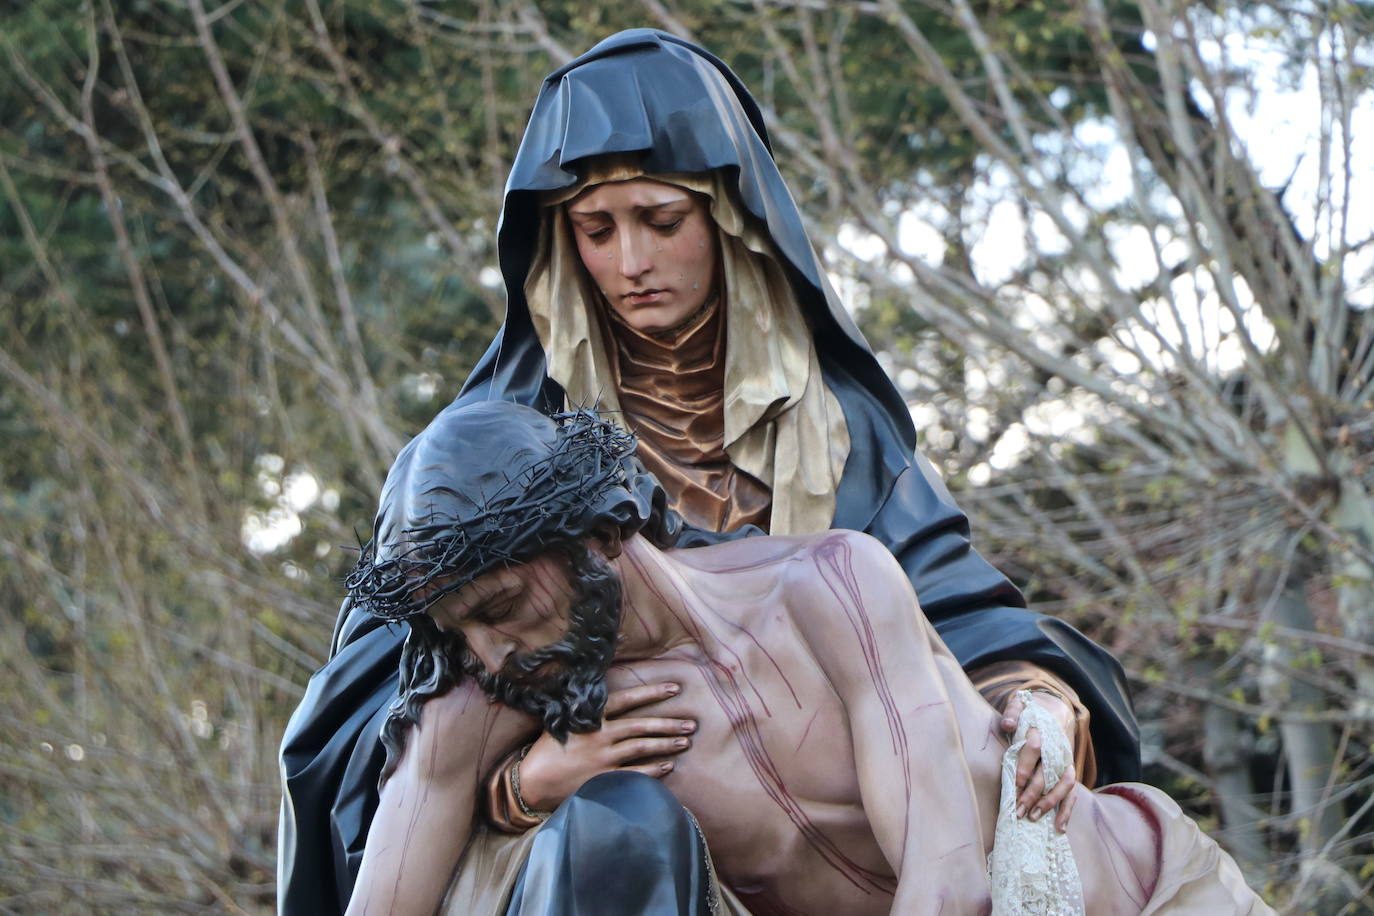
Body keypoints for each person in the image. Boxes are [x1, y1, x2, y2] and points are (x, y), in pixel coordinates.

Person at [278, 29, 1140, 914]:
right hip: (596, 851)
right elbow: (390, 705)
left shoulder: (839, 433)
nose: (631, 264)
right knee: (616, 828)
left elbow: (953, 622)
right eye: (596, 230)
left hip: (857, 841)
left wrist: (1035, 701)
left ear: (729, 220)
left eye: (661, 221)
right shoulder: (503, 454)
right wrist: (519, 787)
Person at [343, 401, 1269, 916]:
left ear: (592, 532)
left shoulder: (830, 586)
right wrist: (519, 793)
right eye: (458, 631)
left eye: (502, 607)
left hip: (1147, 896)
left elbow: (947, 883)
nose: (489, 651)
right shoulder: (489, 699)